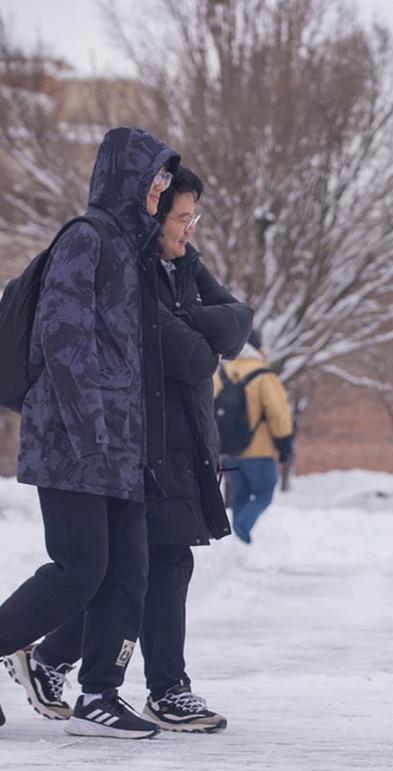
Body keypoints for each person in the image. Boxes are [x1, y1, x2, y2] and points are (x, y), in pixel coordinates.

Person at [6, 167, 253, 733]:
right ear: (152, 212)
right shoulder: (127, 267)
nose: (191, 230)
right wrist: (196, 331)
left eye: (195, 217)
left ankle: (63, 666)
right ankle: (157, 688)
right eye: (182, 217)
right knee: (140, 565)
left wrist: (190, 322)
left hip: (168, 443)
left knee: (134, 568)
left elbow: (237, 324)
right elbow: (194, 358)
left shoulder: (183, 266)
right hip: (133, 443)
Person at [0, 127, 179, 738]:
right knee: (80, 566)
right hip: (75, 442)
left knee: (128, 571)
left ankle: (100, 695)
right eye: (155, 176)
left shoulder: (132, 250)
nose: (161, 188)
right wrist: (88, 432)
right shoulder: (86, 239)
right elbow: (63, 333)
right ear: (128, 178)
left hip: (120, 447)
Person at [214, 331, 294, 544]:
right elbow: (278, 414)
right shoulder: (263, 375)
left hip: (229, 450)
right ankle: (241, 529)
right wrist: (285, 446)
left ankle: (237, 543)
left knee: (238, 495)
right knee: (263, 493)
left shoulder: (220, 373)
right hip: (259, 451)